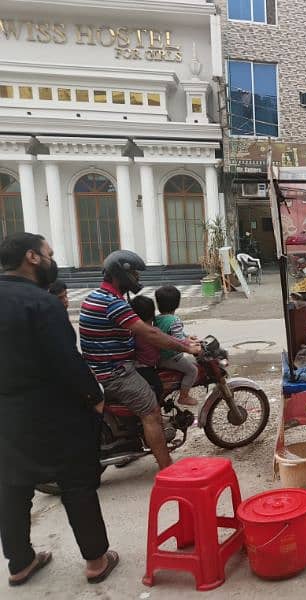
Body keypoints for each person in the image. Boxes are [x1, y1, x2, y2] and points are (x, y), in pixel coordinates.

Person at [0, 232, 119, 585]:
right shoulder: (42, 302)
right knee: (77, 483)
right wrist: (94, 398)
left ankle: (20, 562)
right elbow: (67, 360)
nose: (53, 260)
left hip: (6, 414)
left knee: (11, 486)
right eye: (49, 254)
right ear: (32, 257)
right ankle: (96, 561)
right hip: (54, 412)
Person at [79, 250, 201, 471]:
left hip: (104, 366)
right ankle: (167, 468)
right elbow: (150, 334)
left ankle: (130, 442)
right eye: (134, 274)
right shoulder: (112, 303)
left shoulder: (100, 296)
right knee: (152, 412)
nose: (137, 278)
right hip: (116, 372)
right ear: (121, 274)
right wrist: (186, 347)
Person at [154, 285, 199, 406]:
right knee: (193, 370)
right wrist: (191, 346)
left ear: (158, 304)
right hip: (171, 357)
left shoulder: (156, 319)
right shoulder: (175, 320)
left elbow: (171, 335)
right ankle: (184, 396)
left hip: (158, 357)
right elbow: (178, 341)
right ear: (177, 304)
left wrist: (187, 337)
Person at [130, 295, 163, 399]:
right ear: (152, 313)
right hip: (146, 368)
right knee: (158, 389)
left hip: (136, 366)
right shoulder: (153, 332)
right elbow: (168, 344)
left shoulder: (133, 331)